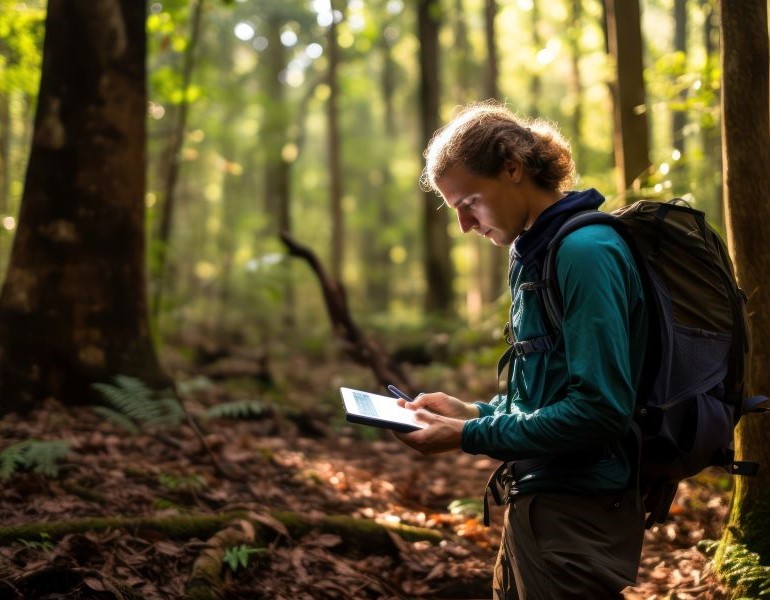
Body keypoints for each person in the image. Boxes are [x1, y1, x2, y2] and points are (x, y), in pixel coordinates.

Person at [393, 102, 648, 599]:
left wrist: (469, 435)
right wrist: (471, 412)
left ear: (513, 168)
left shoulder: (585, 252)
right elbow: (548, 396)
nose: (465, 224)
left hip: (577, 514)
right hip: (539, 500)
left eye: (469, 202)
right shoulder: (535, 251)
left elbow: (600, 412)